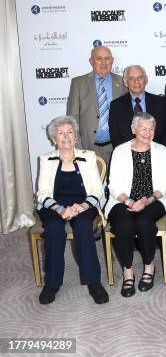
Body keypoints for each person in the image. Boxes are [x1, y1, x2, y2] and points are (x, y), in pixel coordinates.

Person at [36, 116, 109, 304]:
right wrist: (60, 209)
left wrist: (82, 206)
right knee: (53, 229)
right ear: (54, 139)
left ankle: (93, 281)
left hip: (83, 204)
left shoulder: (88, 156)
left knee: (84, 226)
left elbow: (97, 190)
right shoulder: (45, 159)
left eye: (70, 132)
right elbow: (42, 193)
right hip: (54, 206)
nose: (66, 137)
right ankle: (52, 283)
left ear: (76, 137)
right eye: (61, 133)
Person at [106, 112, 166, 297]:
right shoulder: (120, 151)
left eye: (151, 129)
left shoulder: (161, 150)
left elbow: (165, 185)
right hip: (122, 199)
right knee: (123, 224)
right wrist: (129, 201)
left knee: (144, 223)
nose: (148, 132)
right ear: (133, 129)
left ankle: (149, 266)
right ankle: (128, 271)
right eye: (143, 128)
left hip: (153, 199)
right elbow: (113, 185)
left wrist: (148, 200)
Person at [67, 46, 125, 166]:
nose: (103, 62)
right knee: (91, 185)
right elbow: (72, 119)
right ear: (91, 61)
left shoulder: (122, 82)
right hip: (88, 148)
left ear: (112, 60)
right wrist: (78, 149)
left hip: (116, 148)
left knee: (116, 185)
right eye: (99, 58)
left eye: (107, 58)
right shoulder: (78, 83)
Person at [109, 65, 166, 149]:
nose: (136, 81)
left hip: (156, 154)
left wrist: (160, 151)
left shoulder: (161, 103)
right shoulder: (116, 106)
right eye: (131, 78)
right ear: (125, 82)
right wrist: (126, 154)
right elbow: (115, 135)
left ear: (146, 80)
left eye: (140, 77)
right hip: (127, 156)